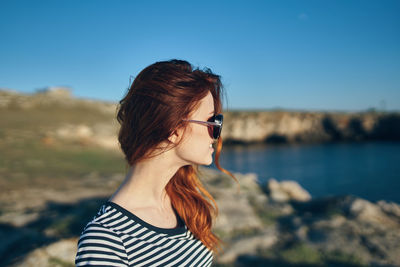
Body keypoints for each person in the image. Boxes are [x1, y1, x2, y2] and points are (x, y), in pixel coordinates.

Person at [75, 59, 237, 266]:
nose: (216, 135)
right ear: (173, 129)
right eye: (212, 122)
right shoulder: (107, 240)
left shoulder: (180, 200)